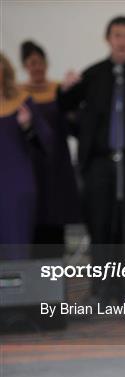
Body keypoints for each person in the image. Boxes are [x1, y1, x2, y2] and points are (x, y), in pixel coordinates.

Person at [57, 16, 125, 306]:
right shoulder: (94, 74)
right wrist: (64, 89)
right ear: (108, 38)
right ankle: (102, 291)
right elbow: (65, 107)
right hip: (99, 163)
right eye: (117, 35)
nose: (122, 40)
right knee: (99, 226)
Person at [20, 40, 80, 258]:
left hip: (57, 166)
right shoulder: (19, 94)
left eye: (40, 62)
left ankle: (54, 278)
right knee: (32, 221)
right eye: (31, 63)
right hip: (31, 166)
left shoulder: (58, 90)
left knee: (56, 221)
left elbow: (74, 125)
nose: (37, 67)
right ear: (25, 66)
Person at [0, 52, 51, 260]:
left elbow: (46, 141)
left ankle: (15, 292)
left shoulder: (22, 102)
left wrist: (28, 124)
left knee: (15, 243)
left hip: (15, 184)